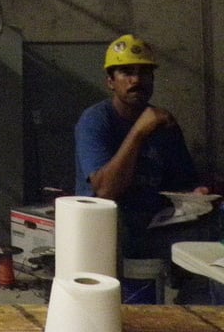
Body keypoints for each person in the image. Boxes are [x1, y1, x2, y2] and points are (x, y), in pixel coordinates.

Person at [74, 34, 220, 282]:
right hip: (110, 229)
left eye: (144, 73)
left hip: (155, 223)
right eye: (126, 73)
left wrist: (197, 193)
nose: (136, 80)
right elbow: (106, 190)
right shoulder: (96, 121)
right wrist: (139, 131)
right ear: (110, 81)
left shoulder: (164, 124)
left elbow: (183, 181)